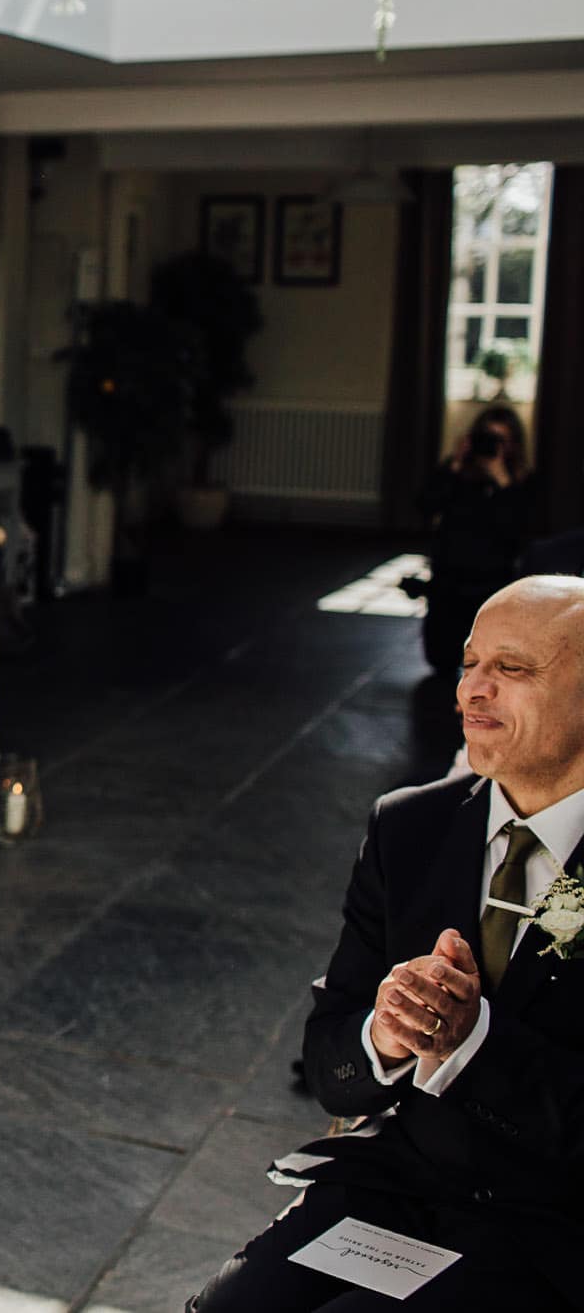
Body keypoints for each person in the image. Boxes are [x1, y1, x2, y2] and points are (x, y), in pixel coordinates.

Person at [192, 576, 584, 1310]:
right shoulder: (412, 828)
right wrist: (386, 1035)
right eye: (470, 664)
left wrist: (472, 1044)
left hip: (555, 1223)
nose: (473, 690)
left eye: (513, 669)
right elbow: (331, 1068)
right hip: (403, 1182)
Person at [410, 404, 539, 674]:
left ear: (513, 445)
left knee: (487, 662)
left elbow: (520, 530)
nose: (491, 446)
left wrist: (503, 482)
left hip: (491, 584)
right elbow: (425, 506)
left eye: (500, 440)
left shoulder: (521, 483)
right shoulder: (457, 474)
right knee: (439, 660)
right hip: (448, 580)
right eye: (486, 437)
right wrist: (455, 464)